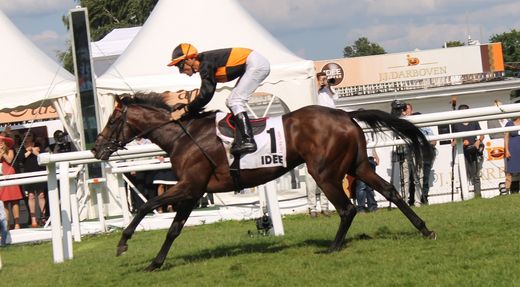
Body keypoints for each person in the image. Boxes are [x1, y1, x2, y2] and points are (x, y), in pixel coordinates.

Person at [166, 43, 270, 155]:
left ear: (190, 59)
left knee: (235, 101)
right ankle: (242, 138)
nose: (181, 71)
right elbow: (206, 94)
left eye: (180, 66)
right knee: (230, 101)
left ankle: (248, 140)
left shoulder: (206, 64)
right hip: (253, 62)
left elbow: (206, 95)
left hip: (256, 64)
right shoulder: (205, 63)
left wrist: (184, 110)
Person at [451, 104, 484, 198]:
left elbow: (482, 135)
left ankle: (478, 195)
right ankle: (464, 196)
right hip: (463, 153)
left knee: (476, 175)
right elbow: (453, 142)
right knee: (463, 174)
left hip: (473, 151)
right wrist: (460, 142)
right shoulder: (455, 124)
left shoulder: (474, 122)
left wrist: (478, 141)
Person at [21, 132, 47, 227]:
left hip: (39, 172)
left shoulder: (39, 146)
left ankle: (43, 217)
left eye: (29, 135)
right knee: (31, 196)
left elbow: (44, 157)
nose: (27, 137)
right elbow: (20, 159)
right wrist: (28, 151)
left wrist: (35, 152)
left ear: (33, 137)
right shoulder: (22, 148)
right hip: (28, 173)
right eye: (25, 136)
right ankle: (33, 218)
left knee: (41, 195)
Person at [413, 112, 437, 204]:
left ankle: (425, 198)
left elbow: (434, 141)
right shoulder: (412, 130)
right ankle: (416, 199)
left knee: (426, 177)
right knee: (417, 178)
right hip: (417, 153)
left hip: (427, 153)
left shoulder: (427, 128)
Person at [0, 134, 23, 229]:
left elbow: (9, 160)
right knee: (4, 202)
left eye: (1, 142)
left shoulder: (10, 150)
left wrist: (3, 152)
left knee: (14, 200)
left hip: (10, 175)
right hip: (1, 175)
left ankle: (17, 223)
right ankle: (7, 224)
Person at [401, 103, 422, 206]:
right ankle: (404, 202)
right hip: (405, 153)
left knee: (417, 178)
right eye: (403, 109)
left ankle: (418, 201)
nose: (404, 111)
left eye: (406, 109)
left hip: (415, 152)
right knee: (405, 180)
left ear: (411, 110)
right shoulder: (400, 122)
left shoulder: (416, 120)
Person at [355, 132, 379, 212]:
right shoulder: (357, 126)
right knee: (361, 185)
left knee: (371, 185)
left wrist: (376, 155)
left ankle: (372, 206)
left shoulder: (370, 129)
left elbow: (372, 146)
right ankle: (361, 207)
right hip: (361, 158)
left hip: (370, 159)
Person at [504, 116, 520, 194]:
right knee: (509, 172)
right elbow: (506, 137)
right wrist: (506, 150)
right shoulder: (509, 124)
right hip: (513, 149)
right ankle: (507, 191)